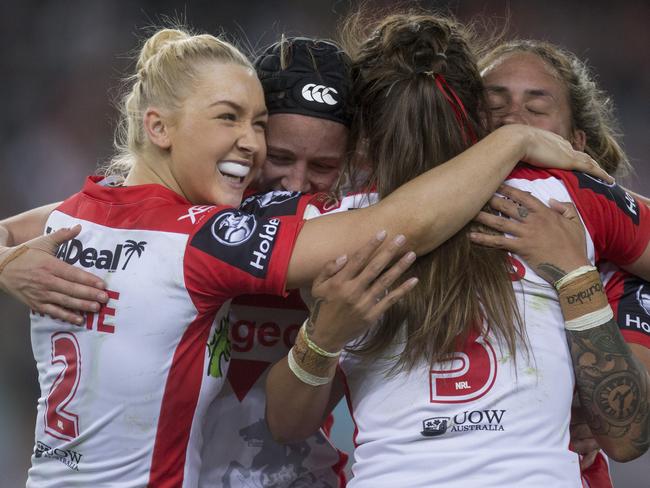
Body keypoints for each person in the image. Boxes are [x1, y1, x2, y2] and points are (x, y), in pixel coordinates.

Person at [0, 25, 600, 486]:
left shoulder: (340, 218)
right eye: (277, 155)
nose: (292, 185)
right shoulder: (208, 228)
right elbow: (400, 226)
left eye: (322, 168)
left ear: (357, 162)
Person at [265, 11, 650, 487]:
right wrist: (575, 278)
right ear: (473, 118)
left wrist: (320, 337)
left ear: (360, 133)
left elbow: (285, 426)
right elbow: (630, 438)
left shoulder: (327, 227)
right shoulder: (562, 194)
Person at [477, 39, 650, 486]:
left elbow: (630, 433)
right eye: (493, 104)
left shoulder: (611, 249)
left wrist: (574, 271)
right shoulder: (404, 208)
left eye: (536, 110)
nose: (513, 121)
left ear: (576, 143)